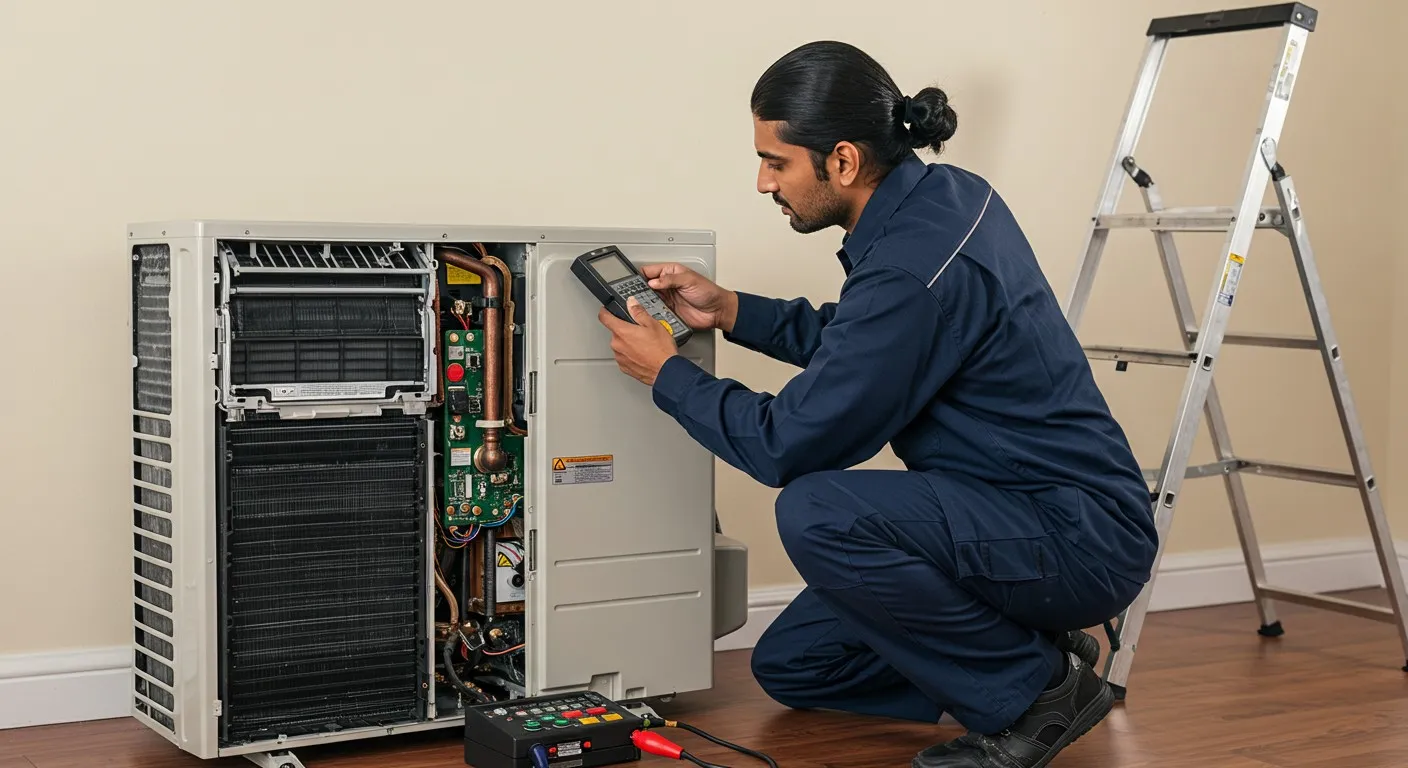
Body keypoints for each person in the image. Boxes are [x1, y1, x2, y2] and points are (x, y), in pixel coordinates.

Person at [598, 40, 1158, 768]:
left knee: (818, 510)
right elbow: (869, 345)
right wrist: (732, 309)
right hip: (1018, 514)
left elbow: (784, 445)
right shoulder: (948, 196)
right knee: (797, 665)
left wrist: (668, 375)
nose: (763, 183)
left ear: (842, 161)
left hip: (1074, 537)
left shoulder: (908, 269)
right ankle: (1030, 646)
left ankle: (1037, 697)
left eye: (776, 162)